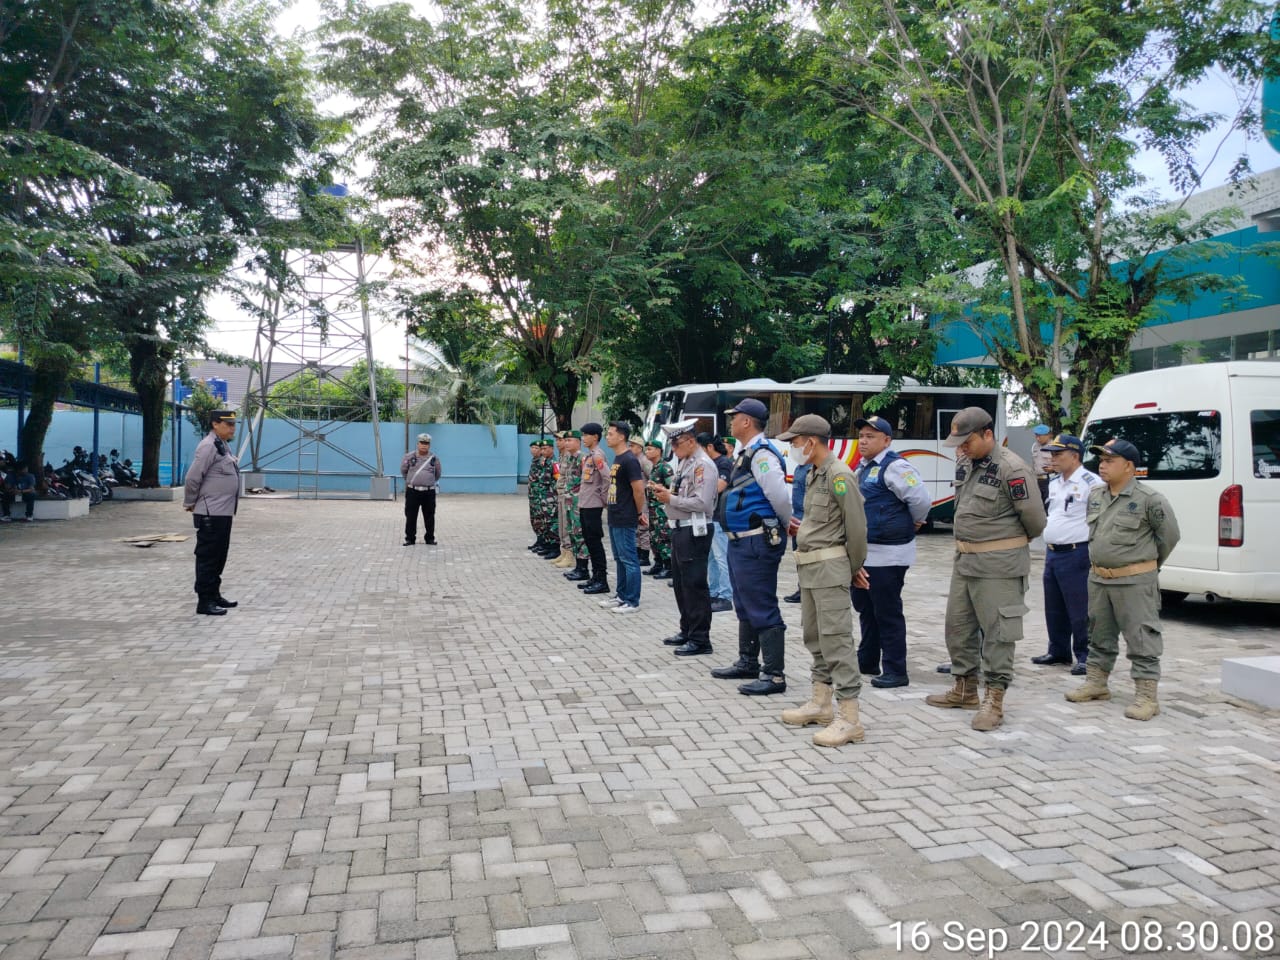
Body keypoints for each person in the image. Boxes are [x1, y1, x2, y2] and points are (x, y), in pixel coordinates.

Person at [925, 407, 1046, 731]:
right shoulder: (967, 463)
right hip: (965, 562)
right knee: (958, 627)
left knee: (998, 633)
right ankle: (964, 689)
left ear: (988, 434)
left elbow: (1035, 521)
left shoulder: (1012, 468)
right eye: (959, 443)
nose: (962, 448)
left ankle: (994, 699)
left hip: (999, 566)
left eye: (967, 442)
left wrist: (1004, 544)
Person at [1066, 439, 1181, 721]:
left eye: (1109, 461)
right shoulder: (1096, 494)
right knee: (1098, 633)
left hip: (1134, 582)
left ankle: (1146, 696)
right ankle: (1096, 683)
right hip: (1099, 579)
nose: (1102, 466)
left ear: (1128, 466)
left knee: (1142, 638)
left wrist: (1144, 567)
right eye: (1101, 461)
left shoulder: (1149, 499)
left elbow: (1169, 537)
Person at [778, 414, 870, 746]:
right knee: (815, 637)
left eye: (795, 442)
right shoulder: (814, 473)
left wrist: (852, 567)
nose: (792, 448)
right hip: (811, 569)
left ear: (811, 442)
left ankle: (850, 718)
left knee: (837, 641)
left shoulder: (839, 475)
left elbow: (856, 528)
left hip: (830, 570)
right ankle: (821, 703)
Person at [711, 399, 793, 695]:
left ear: (747, 421)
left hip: (757, 540)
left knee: (761, 604)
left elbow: (780, 498)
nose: (731, 422)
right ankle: (748, 661)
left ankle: (774, 675)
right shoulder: (745, 453)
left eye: (734, 417)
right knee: (744, 603)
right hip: (740, 541)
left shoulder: (762, 455)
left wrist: (783, 527)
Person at [850, 416, 932, 688]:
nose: (863, 441)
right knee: (866, 608)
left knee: (887, 612)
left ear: (887, 440)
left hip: (889, 554)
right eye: (861, 435)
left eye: (870, 436)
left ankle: (896, 670)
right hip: (866, 552)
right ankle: (868, 659)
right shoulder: (863, 467)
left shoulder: (896, 467)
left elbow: (920, 500)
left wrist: (914, 522)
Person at [1032, 434, 1100, 676]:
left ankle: (1085, 655)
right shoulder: (1054, 483)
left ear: (1075, 456)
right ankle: (1058, 650)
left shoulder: (1092, 483)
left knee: (1079, 608)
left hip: (1077, 552)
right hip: (1053, 552)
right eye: (1051, 454)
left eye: (1058, 454)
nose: (1053, 458)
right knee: (1054, 606)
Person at [650, 420, 718, 656]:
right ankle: (687, 629)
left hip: (694, 530)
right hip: (680, 529)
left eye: (676, 444)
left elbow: (702, 503)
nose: (673, 449)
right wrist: (666, 493)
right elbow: (681, 493)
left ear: (690, 441)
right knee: (681, 584)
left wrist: (670, 499)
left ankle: (700, 639)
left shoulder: (703, 465)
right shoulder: (685, 463)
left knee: (694, 585)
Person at [183, 410, 242, 616]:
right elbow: (192, 477)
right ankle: (204, 601)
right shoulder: (208, 446)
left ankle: (214, 594)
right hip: (211, 512)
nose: (232, 428)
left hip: (223, 512)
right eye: (228, 424)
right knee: (208, 557)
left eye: (234, 424)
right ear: (215, 424)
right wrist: (190, 502)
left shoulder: (221, 445)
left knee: (219, 556)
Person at [601, 422, 648, 613]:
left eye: (611, 434)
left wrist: (638, 513)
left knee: (629, 559)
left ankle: (632, 600)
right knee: (619, 558)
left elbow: (639, 490)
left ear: (621, 437)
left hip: (625, 515)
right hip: (614, 514)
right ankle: (621, 595)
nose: (607, 437)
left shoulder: (629, 460)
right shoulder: (618, 458)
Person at [699, 432, 735, 613]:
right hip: (710, 516)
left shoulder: (724, 463)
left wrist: (699, 489)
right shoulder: (709, 463)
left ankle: (725, 596)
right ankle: (713, 592)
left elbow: (720, 486)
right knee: (712, 558)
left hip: (720, 517)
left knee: (722, 558)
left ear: (710, 447)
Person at [578, 423, 611, 594]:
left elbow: (608, 478)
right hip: (585, 504)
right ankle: (595, 576)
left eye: (586, 435)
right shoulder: (589, 456)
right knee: (589, 542)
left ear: (595, 437)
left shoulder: (598, 456)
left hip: (594, 505)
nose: (583, 438)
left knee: (595, 543)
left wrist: (603, 499)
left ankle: (602, 580)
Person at [401, 433, 442, 545]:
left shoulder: (434, 458)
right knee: (411, 515)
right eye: (422, 443)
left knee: (429, 516)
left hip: (429, 492)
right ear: (418, 444)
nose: (424, 445)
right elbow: (404, 471)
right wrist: (412, 481)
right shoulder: (409, 457)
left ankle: (430, 538)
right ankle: (410, 539)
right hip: (413, 491)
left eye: (426, 443)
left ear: (429, 445)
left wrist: (428, 481)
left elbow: (438, 474)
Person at [561, 431, 591, 581]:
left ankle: (584, 568)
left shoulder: (582, 458)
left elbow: (587, 482)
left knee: (580, 534)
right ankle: (578, 566)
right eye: (565, 440)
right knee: (572, 532)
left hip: (578, 503)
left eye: (570, 440)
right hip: (569, 502)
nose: (567, 443)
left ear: (578, 442)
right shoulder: (569, 458)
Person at [644, 439, 674, 579]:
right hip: (653, 510)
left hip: (662, 510)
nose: (647, 452)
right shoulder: (654, 467)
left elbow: (672, 489)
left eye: (650, 449)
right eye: (646, 449)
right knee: (654, 537)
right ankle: (658, 563)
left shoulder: (664, 468)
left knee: (664, 537)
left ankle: (669, 566)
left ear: (658, 451)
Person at [783, 461, 810, 603]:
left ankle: (807, 590)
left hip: (807, 519)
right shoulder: (799, 468)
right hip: (797, 518)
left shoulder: (813, 469)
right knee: (799, 558)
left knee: (807, 559)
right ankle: (802, 589)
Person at [629, 437, 653, 566]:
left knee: (643, 527)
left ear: (639, 447)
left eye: (633, 446)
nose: (630, 448)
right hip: (635, 497)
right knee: (637, 527)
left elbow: (652, 478)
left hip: (643, 497)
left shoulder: (644, 461)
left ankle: (645, 555)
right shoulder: (634, 461)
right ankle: (638, 553)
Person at [1031, 424, 1054, 507]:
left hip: (1050, 480)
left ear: (1048, 435)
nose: (1038, 438)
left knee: (1049, 505)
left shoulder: (1054, 446)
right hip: (1037, 481)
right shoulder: (1034, 446)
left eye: (1040, 436)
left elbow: (1061, 464)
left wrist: (1053, 469)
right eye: (1036, 436)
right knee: (1039, 506)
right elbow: (1033, 463)